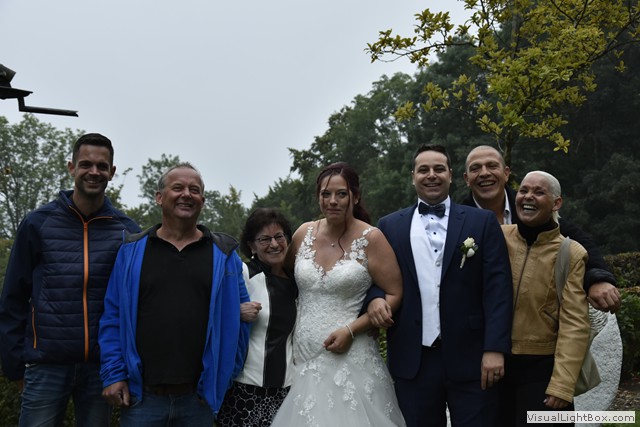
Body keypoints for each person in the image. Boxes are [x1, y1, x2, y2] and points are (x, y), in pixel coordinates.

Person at [0, 133, 140, 426]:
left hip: (102, 367)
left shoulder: (126, 231)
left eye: (102, 166)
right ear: (71, 167)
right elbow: (13, 296)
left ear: (112, 172)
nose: (94, 172)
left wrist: (124, 364)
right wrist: (14, 364)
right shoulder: (38, 223)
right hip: (46, 364)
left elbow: (135, 302)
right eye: (86, 164)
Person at [98, 163, 250, 426]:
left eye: (195, 190)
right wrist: (113, 374)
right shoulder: (131, 252)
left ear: (203, 200)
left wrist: (223, 378)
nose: (186, 194)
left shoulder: (224, 255)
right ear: (159, 197)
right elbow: (113, 317)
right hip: (142, 399)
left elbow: (242, 319)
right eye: (178, 188)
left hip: (198, 400)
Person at [374, 144, 513, 427]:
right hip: (413, 361)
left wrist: (495, 348)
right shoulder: (389, 226)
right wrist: (375, 299)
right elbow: (374, 280)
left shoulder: (481, 221)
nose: (431, 175)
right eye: (423, 170)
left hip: (472, 358)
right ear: (413, 176)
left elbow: (498, 289)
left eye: (439, 169)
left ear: (451, 175)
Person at [271, 162, 406, 426]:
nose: (333, 201)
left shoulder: (372, 238)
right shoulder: (303, 233)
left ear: (355, 196)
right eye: (326, 194)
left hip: (351, 355)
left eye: (341, 194)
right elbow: (282, 278)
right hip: (303, 355)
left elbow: (395, 292)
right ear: (318, 197)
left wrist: (353, 329)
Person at [462, 145, 620, 313]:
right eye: (475, 168)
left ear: (506, 173)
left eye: (492, 166)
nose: (484, 173)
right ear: (466, 179)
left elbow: (578, 242)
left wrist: (598, 279)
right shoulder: (458, 221)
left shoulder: (529, 205)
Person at [499, 171, 589, 426]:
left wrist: (562, 385)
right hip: (496, 366)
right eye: (524, 190)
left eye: (539, 192)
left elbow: (575, 324)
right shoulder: (499, 236)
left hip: (542, 370)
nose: (528, 197)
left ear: (556, 203)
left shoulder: (571, 253)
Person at [217, 208, 298, 427]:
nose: (274, 244)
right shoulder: (243, 274)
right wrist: (236, 312)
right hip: (244, 392)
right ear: (252, 245)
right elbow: (211, 313)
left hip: (287, 392)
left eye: (279, 236)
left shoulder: (297, 282)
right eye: (264, 239)